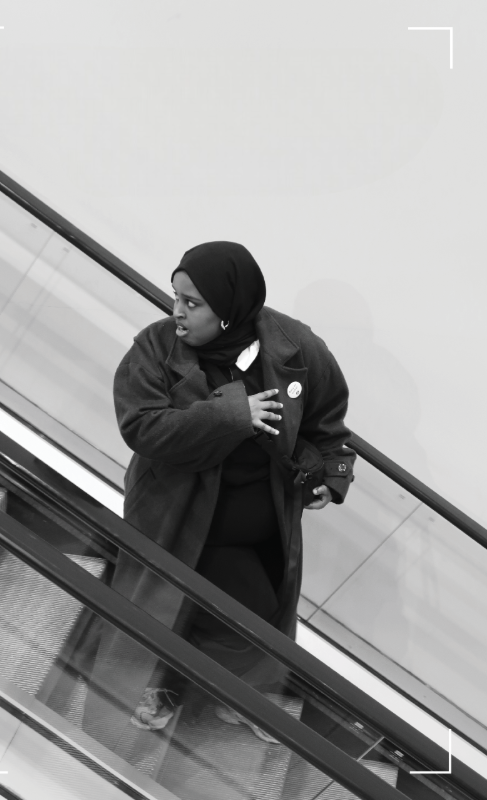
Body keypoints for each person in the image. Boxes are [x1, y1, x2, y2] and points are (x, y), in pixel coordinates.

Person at [82, 241, 355, 749]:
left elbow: (327, 424)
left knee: (254, 607)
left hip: (266, 520)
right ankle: (182, 689)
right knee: (208, 609)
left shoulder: (296, 347)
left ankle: (217, 692)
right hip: (178, 518)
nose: (177, 312)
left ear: (230, 312)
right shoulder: (155, 347)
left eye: (192, 303)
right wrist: (232, 414)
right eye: (175, 297)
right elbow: (142, 427)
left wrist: (331, 474)